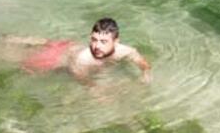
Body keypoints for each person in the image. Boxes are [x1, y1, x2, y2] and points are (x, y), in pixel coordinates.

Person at [19, 17, 152, 85]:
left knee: (44, 43)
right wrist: (97, 89)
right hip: (59, 57)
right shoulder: (83, 59)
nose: (97, 46)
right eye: (94, 40)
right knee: (22, 63)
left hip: (70, 47)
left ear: (116, 41)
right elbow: (82, 80)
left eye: (103, 42)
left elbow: (142, 62)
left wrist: (145, 74)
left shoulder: (125, 51)